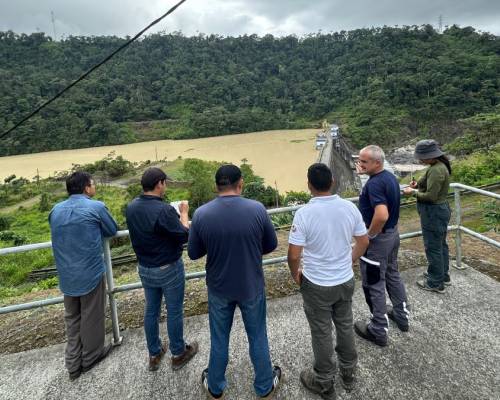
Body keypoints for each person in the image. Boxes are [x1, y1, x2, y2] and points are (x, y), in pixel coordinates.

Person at [188, 164, 282, 400]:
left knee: (219, 338)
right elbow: (270, 245)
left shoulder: (201, 214)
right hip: (251, 285)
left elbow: (193, 253)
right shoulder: (257, 209)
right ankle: (264, 387)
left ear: (216, 186)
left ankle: (216, 387)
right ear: (240, 183)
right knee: (258, 335)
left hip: (219, 288)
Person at [287, 163, 369, 399]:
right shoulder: (349, 207)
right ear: (332, 181)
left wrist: (296, 274)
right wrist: (349, 261)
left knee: (322, 332)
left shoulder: (303, 214)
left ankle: (324, 381)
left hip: (317, 284)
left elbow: (293, 255)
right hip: (344, 280)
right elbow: (363, 242)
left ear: (309, 185)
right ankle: (349, 372)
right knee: (344, 324)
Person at [126, 167, 198, 371]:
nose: (165, 186)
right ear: (159, 183)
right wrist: (183, 213)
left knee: (151, 310)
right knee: (174, 310)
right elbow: (184, 235)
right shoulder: (163, 210)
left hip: (145, 267)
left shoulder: (132, 207)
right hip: (168, 268)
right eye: (165, 182)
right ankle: (178, 353)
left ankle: (155, 353)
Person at [49, 171, 118, 380]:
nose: (94, 187)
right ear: (87, 188)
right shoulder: (95, 207)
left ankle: (72, 364)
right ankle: (90, 357)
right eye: (93, 184)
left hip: (66, 274)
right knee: (92, 315)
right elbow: (112, 230)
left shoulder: (55, 210)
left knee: (72, 318)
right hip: (90, 272)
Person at [355, 145, 409, 347]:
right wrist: (365, 175)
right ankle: (401, 316)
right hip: (393, 235)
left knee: (373, 282)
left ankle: (378, 329)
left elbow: (381, 215)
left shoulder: (375, 184)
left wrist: (368, 236)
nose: (360, 165)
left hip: (378, 240)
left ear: (377, 163)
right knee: (393, 274)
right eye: (360, 161)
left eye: (364, 162)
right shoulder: (389, 178)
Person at [403, 139, 452, 293]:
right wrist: (416, 185)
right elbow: (427, 185)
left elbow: (431, 196)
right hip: (438, 212)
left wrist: (413, 193)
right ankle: (442, 275)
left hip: (433, 213)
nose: (420, 160)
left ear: (431, 156)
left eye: (421, 157)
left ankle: (435, 282)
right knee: (440, 244)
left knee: (433, 247)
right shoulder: (436, 166)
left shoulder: (437, 170)